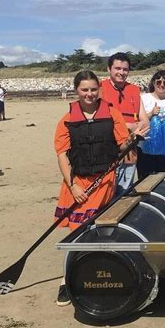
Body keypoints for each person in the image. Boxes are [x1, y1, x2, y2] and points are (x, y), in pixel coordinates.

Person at [53, 70, 146, 306]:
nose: (90, 94)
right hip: (78, 185)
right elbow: (62, 156)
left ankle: (99, 272)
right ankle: (66, 281)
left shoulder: (112, 113)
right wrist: (72, 185)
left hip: (103, 183)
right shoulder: (66, 119)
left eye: (93, 90)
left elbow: (121, 146)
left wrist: (134, 138)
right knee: (76, 234)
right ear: (76, 91)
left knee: (98, 232)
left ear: (99, 90)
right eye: (84, 90)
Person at [100, 52, 149, 195]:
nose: (121, 72)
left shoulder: (133, 91)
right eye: (117, 68)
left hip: (129, 153)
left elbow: (145, 121)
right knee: (105, 195)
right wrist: (128, 126)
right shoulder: (99, 89)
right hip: (105, 154)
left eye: (125, 69)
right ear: (109, 69)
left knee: (123, 195)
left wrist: (138, 127)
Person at [137, 70, 165, 180]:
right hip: (145, 149)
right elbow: (138, 122)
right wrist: (151, 114)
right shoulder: (144, 98)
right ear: (153, 83)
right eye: (158, 82)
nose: (161, 85)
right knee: (144, 180)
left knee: (163, 180)